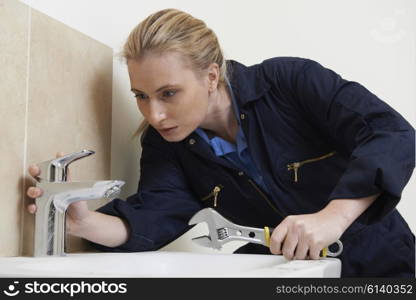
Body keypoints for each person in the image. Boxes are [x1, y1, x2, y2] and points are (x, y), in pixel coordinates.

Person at [26, 8, 415, 277]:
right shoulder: (165, 146)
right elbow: (156, 216)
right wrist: (85, 222)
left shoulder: (290, 82)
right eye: (141, 96)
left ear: (211, 76)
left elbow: (390, 133)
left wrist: (334, 217)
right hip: (289, 280)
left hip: (386, 265)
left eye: (169, 93)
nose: (154, 114)